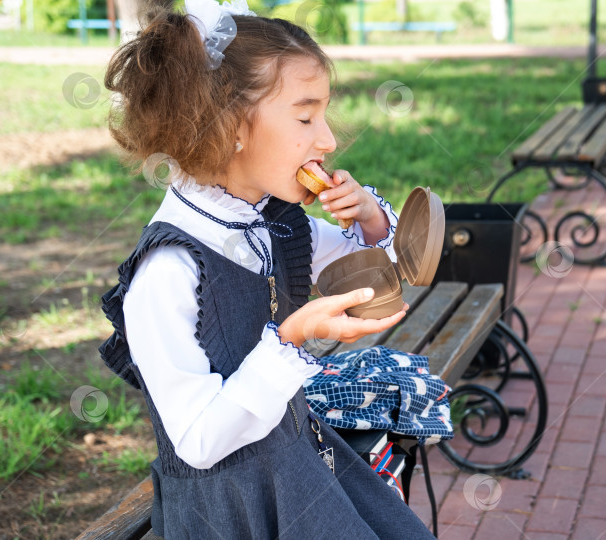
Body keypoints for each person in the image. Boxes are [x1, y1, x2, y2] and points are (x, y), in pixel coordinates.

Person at [98, 0, 437, 538]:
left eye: (323, 115)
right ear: (230, 125)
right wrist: (292, 338)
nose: (327, 139)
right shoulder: (168, 270)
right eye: (305, 117)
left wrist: (370, 216)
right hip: (233, 510)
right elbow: (198, 441)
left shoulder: (272, 224)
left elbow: (386, 268)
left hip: (299, 469)